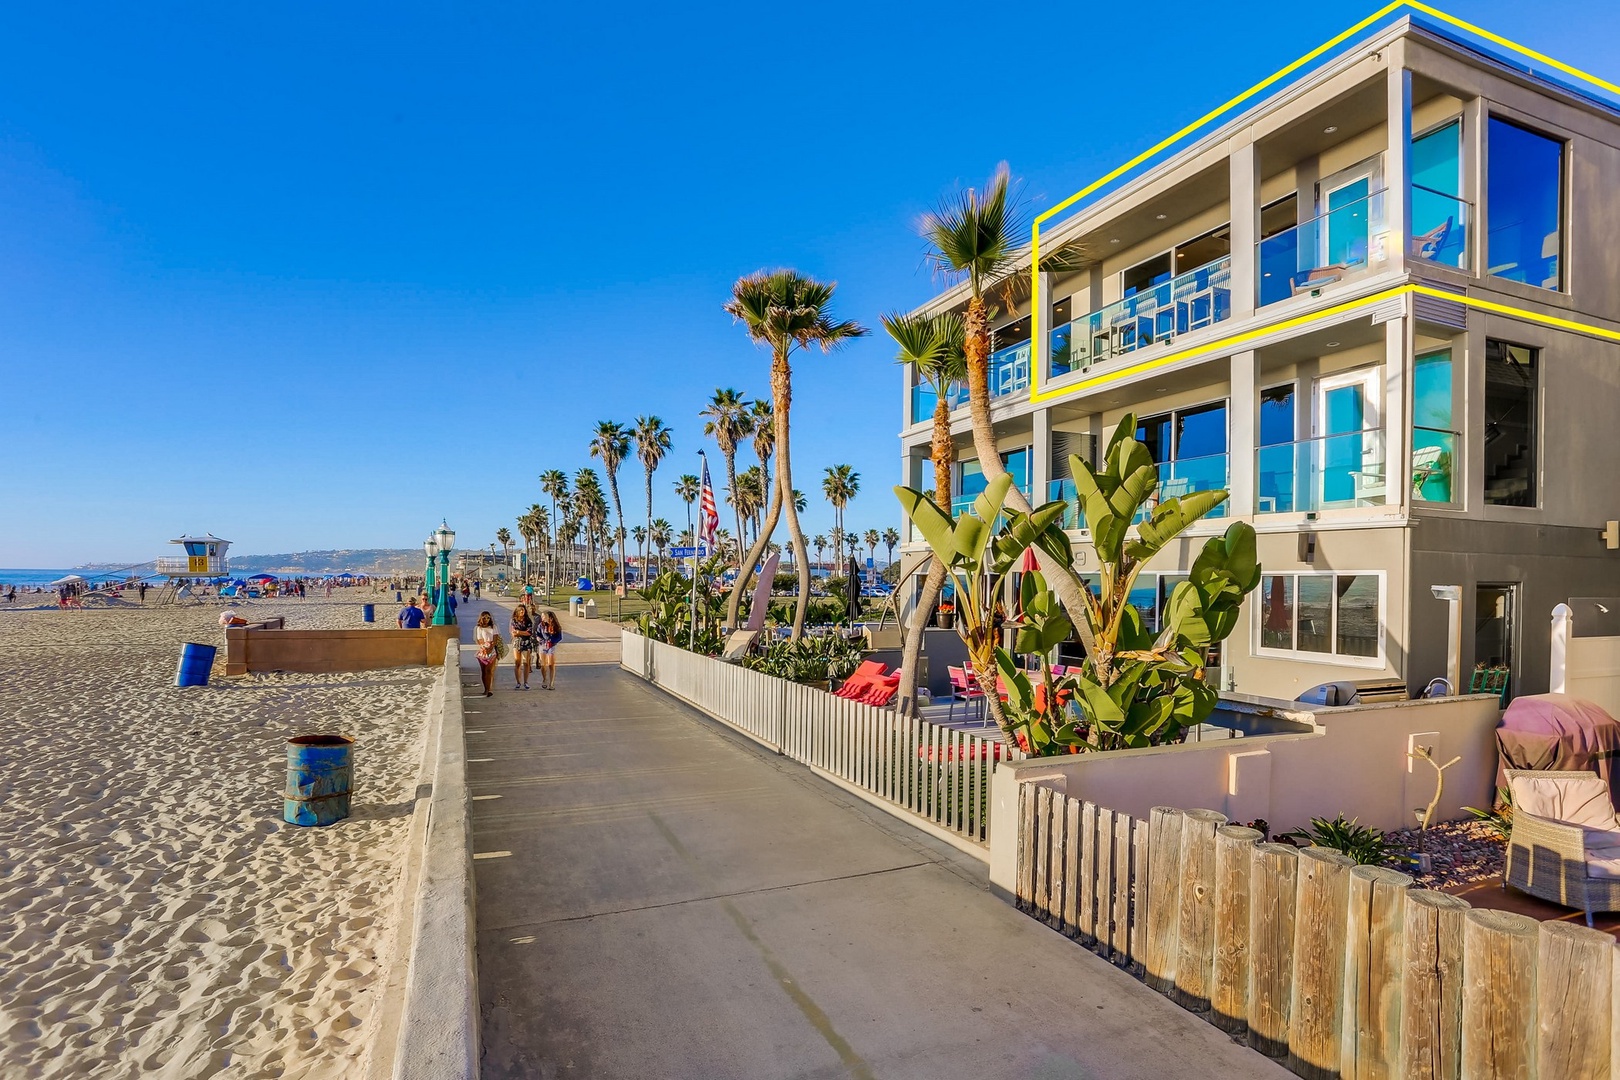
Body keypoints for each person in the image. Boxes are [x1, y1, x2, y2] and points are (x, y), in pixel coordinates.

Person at [510, 602, 536, 690]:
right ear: (517, 611)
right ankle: (518, 682)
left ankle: (526, 682)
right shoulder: (514, 620)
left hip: (526, 642)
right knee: (517, 662)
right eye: (520, 610)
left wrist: (519, 632)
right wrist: (520, 633)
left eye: (523, 610)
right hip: (517, 643)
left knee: (526, 663)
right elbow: (513, 633)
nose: (522, 611)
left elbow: (529, 632)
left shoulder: (528, 621)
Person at [473, 611, 499, 697]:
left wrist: (491, 647)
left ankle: (490, 689)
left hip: (492, 651)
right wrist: (485, 647)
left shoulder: (493, 627)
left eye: (488, 617)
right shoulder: (479, 628)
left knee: (489, 671)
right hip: (483, 650)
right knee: (484, 671)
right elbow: (479, 640)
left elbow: (495, 638)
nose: (486, 619)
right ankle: (486, 688)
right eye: (484, 618)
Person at [536, 609, 563, 690]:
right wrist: (540, 640)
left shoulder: (555, 626)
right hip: (542, 645)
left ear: (549, 617)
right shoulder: (541, 625)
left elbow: (559, 637)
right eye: (542, 616)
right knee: (543, 665)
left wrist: (552, 642)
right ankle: (545, 679)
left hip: (551, 646)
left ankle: (551, 683)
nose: (542, 618)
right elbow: (538, 634)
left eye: (544, 616)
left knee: (551, 664)